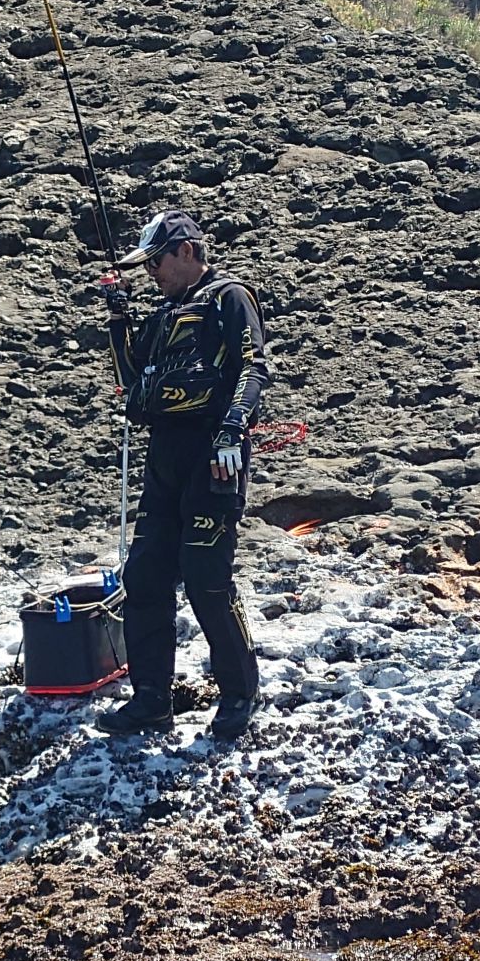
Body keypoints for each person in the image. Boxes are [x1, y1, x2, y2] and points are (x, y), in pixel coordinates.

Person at [96, 210, 269, 743]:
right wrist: (119, 319)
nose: (151, 272)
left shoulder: (229, 297)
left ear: (188, 251)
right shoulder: (163, 313)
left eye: (157, 260)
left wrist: (232, 430)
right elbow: (130, 383)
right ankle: (151, 700)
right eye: (145, 263)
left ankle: (239, 693)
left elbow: (253, 367)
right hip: (164, 457)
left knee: (206, 578)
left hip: (214, 457)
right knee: (143, 577)